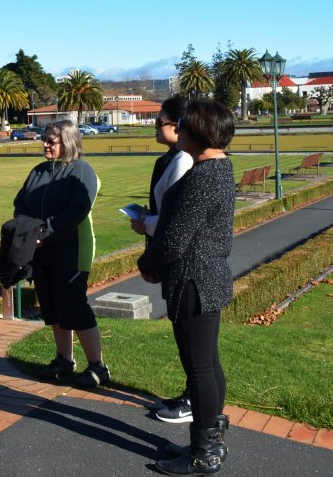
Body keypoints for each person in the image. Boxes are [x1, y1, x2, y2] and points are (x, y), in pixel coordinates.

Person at [137, 100, 236, 475]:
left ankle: (204, 452)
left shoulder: (202, 176)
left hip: (194, 279)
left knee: (199, 368)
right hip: (204, 277)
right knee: (207, 363)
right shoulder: (217, 168)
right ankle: (210, 440)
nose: (178, 131)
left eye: (183, 126)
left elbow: (175, 239)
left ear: (198, 132)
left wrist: (147, 264)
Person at [14, 120, 109, 389]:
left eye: (51, 141)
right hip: (41, 249)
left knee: (74, 306)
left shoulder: (82, 171)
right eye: (45, 139)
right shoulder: (38, 171)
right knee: (53, 307)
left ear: (68, 142)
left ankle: (98, 366)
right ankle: (65, 359)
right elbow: (20, 203)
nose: (45, 144)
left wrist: (46, 232)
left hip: (71, 249)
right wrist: (29, 230)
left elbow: (77, 210)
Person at [131, 97, 195, 424]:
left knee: (189, 334)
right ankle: (192, 395)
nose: (156, 127)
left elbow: (176, 219)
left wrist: (145, 224)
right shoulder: (171, 159)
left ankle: (194, 400)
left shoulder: (183, 161)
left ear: (178, 126)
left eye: (160, 122)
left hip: (182, 260)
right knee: (182, 330)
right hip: (171, 254)